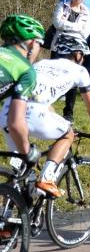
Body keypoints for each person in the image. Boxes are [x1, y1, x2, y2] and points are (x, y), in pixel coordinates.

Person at [2, 35, 90, 197]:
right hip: (32, 113)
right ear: (77, 54)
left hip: (8, 113)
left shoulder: (41, 63)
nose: (83, 59)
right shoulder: (80, 71)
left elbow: (41, 97)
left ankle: (15, 213)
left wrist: (61, 121)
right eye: (83, 55)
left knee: (23, 173)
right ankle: (47, 178)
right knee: (67, 135)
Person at [0, 14, 45, 179]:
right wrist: (27, 153)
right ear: (32, 43)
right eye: (40, 43)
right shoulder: (25, 69)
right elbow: (15, 123)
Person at [54, 0, 90, 121]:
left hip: (78, 45)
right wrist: (76, 26)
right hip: (60, 43)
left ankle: (68, 112)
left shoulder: (86, 12)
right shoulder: (62, 6)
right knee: (57, 75)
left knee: (73, 76)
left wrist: (68, 27)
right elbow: (57, 23)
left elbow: (85, 32)